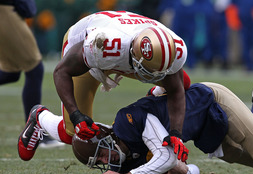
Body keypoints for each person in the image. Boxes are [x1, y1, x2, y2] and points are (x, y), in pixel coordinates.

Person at [17, 81, 253, 174]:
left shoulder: (129, 121)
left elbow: (167, 153)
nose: (106, 161)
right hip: (204, 131)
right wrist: (178, 173)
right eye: (100, 161)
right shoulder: (125, 155)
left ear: (105, 136)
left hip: (212, 102)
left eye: (101, 152)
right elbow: (190, 169)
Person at [18, 10, 191, 161]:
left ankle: (154, 93)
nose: (155, 76)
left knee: (183, 83)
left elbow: (176, 90)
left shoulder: (175, 47)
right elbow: (61, 72)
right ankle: (39, 117)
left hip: (127, 48)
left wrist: (176, 134)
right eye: (150, 71)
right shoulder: (103, 45)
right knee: (73, 134)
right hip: (91, 51)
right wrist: (76, 116)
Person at [0, 0, 63, 148]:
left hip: (7, 9)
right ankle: (33, 133)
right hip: (6, 9)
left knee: (11, 72)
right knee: (35, 68)